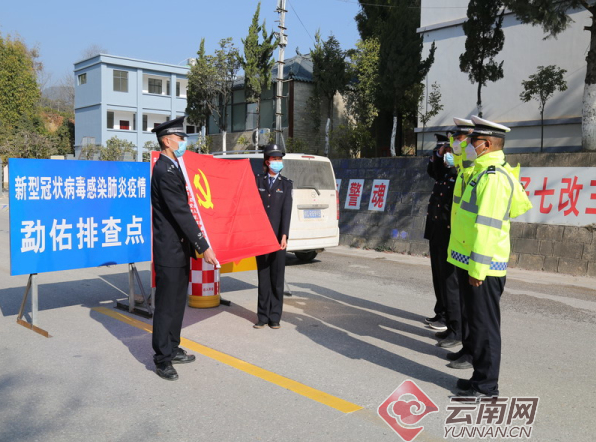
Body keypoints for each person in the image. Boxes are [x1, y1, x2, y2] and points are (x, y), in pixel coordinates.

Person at [447, 115, 532, 397]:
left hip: (483, 266)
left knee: (485, 326)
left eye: (473, 141)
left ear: (486, 144)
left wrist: (478, 269)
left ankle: (486, 387)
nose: (468, 145)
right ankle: (479, 377)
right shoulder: (480, 171)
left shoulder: (494, 179)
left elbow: (488, 227)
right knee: (476, 323)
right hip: (471, 261)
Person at [150, 116, 218, 381]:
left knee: (178, 303)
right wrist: (204, 246)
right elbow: (181, 212)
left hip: (179, 249)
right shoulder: (164, 171)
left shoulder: (174, 166)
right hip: (169, 249)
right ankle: (162, 358)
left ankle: (173, 346)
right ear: (167, 141)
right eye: (180, 138)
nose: (183, 143)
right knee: (166, 306)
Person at [444, 117, 477, 369]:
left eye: (460, 138)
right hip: (461, 245)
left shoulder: (482, 174)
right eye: (454, 138)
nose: (456, 143)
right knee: (466, 304)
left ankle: (474, 354)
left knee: (476, 311)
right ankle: (467, 347)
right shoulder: (466, 171)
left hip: (475, 250)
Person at [424, 134, 460, 347]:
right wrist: (438, 156)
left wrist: (453, 162)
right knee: (438, 275)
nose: (444, 154)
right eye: (441, 151)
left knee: (449, 279)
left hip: (449, 232)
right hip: (437, 230)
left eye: (447, 150)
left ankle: (450, 320)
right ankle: (442, 312)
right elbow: (433, 171)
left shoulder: (459, 172)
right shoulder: (444, 172)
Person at [253, 144, 293, 329]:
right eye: (274, 159)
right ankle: (262, 316)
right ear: (267, 162)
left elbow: (286, 211)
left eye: (279, 159)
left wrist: (284, 235)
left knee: (277, 278)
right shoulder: (257, 181)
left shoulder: (286, 184)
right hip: (261, 237)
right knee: (263, 277)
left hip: (278, 237)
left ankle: (275, 316)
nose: (278, 162)